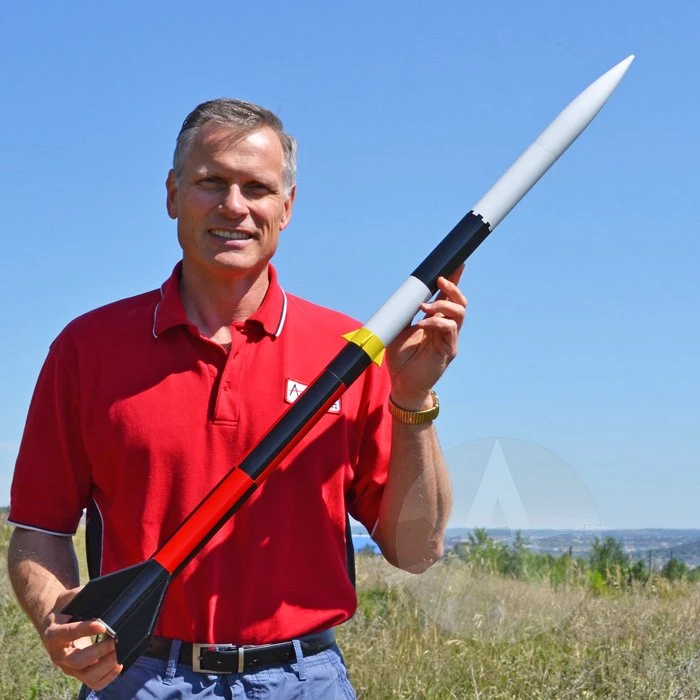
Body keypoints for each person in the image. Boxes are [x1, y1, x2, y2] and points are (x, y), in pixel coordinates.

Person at [7, 99, 466, 699]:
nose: (234, 206)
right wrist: (57, 618)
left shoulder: (351, 351)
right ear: (172, 194)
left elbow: (417, 550)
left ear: (287, 207)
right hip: (138, 676)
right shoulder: (87, 349)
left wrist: (413, 396)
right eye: (211, 182)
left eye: (257, 188)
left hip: (303, 681)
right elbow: (39, 529)